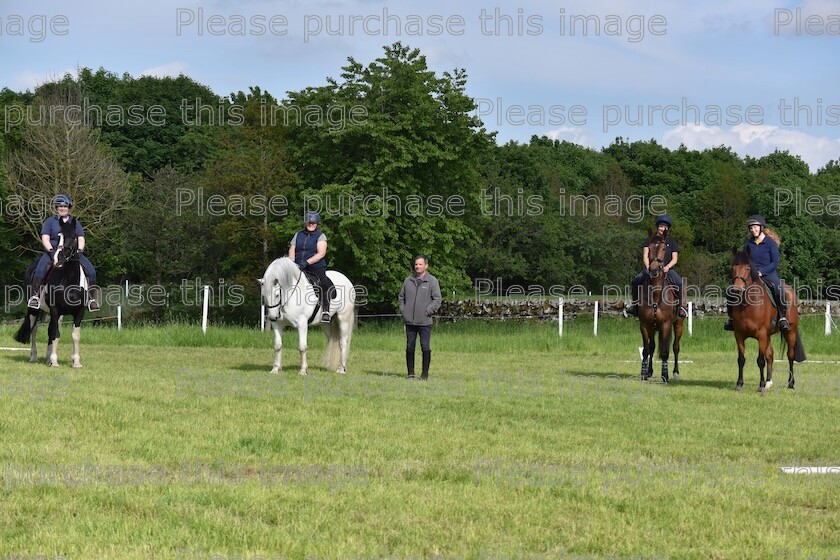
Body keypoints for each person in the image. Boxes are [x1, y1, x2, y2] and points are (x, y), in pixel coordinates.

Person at [28, 194, 99, 312]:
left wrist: (79, 250)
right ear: (57, 208)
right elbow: (45, 238)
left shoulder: (75, 222)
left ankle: (90, 299)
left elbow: (80, 238)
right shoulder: (50, 221)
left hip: (71, 253)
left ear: (69, 207)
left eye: (65, 206)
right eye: (60, 206)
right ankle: (35, 296)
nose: (62, 208)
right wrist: (51, 251)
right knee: (40, 270)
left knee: (91, 271)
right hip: (53, 251)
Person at [724, 214, 789, 331]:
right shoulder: (748, 244)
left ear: (761, 227)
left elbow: (775, 262)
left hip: (768, 273)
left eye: (755, 227)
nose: (753, 230)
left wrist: (762, 272)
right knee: (731, 291)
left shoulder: (770, 243)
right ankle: (731, 319)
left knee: (779, 289)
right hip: (750, 274)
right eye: (751, 228)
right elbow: (744, 261)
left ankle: (782, 317)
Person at [625, 215, 687, 318]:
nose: (663, 229)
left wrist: (667, 267)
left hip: (667, 269)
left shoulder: (672, 241)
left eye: (665, 227)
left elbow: (675, 259)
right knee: (636, 280)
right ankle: (635, 306)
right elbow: (645, 256)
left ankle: (682, 307)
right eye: (661, 226)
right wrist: (648, 267)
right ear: (657, 227)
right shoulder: (649, 240)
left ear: (668, 229)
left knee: (679, 283)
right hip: (651, 269)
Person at [398, 255, 442, 380]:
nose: (417, 266)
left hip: (424, 322)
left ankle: (424, 374)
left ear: (426, 266)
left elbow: (437, 299)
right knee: (410, 347)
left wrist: (427, 311)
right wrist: (404, 311)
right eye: (416, 264)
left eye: (420, 264)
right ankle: (410, 373)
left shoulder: (432, 281)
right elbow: (401, 297)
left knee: (425, 347)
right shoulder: (408, 280)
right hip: (409, 322)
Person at [289, 211, 334, 322]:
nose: (311, 224)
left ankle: (325, 310)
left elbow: (321, 253)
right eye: (309, 222)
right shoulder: (298, 234)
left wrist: (307, 263)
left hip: (315, 265)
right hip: (297, 265)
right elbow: (292, 249)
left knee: (323, 283)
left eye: (313, 223)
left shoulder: (321, 236)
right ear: (306, 223)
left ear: (317, 223)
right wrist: (291, 263)